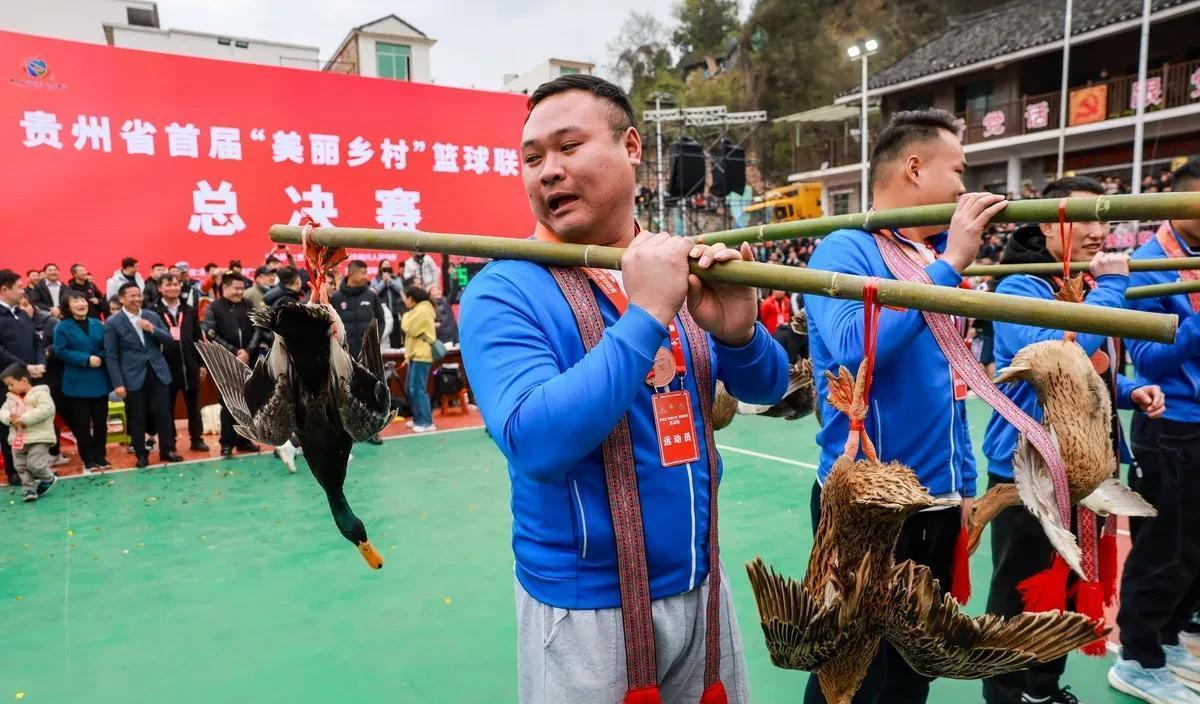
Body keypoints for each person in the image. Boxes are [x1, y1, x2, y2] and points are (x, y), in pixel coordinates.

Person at [460, 74, 788, 704]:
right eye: (532, 159)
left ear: (632, 147)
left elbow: (770, 387)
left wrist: (740, 333)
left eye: (568, 147)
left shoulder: (671, 262)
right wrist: (646, 316)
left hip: (701, 584)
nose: (547, 172)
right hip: (587, 610)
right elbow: (532, 440)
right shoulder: (503, 291)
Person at [803, 109, 1009, 704]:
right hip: (871, 506)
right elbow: (851, 349)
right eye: (958, 170)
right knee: (854, 672)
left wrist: (964, 487)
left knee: (912, 671)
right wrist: (950, 267)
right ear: (915, 168)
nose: (966, 187)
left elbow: (952, 389)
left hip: (937, 500)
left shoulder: (931, 256)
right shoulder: (847, 246)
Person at [980, 176, 1167, 704]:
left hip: (1088, 465)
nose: (1097, 233)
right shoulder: (1018, 286)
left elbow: (1091, 368)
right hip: (1031, 469)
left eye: (1103, 220)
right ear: (1048, 223)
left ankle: (1042, 688)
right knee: (1021, 591)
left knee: (1066, 586)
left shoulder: (1079, 284)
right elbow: (1052, 359)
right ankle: (1006, 694)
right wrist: (1109, 289)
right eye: (1086, 219)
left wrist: (1131, 391)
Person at [1110, 158, 1200, 703]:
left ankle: (1166, 640)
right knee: (1165, 549)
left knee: (1195, 547)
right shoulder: (1147, 263)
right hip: (1169, 425)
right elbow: (1147, 358)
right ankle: (1137, 655)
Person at [104, 282, 182, 468]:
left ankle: (168, 450)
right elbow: (111, 356)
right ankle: (141, 454)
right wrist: (118, 383)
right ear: (122, 299)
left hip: (158, 373)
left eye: (139, 295)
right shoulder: (113, 323)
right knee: (137, 417)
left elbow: (169, 340)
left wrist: (151, 329)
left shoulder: (151, 316)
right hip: (132, 377)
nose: (137, 299)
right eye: (132, 296)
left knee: (164, 414)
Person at [201, 275, 262, 457]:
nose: (239, 292)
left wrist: (248, 351)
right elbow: (211, 333)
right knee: (229, 402)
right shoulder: (214, 307)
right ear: (225, 288)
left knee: (248, 402)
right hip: (225, 363)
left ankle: (244, 440)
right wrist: (234, 352)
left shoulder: (248, 304)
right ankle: (227, 443)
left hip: (249, 360)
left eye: (241, 288)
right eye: (235, 288)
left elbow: (258, 329)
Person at [53, 290, 111, 471]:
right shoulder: (62, 327)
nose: (81, 303)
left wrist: (99, 357)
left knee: (101, 423)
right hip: (77, 383)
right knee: (82, 424)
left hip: (100, 380)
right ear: (68, 307)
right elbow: (60, 351)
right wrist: (85, 359)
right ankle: (88, 459)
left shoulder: (98, 324)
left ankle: (101, 456)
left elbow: (107, 346)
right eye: (75, 301)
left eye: (83, 300)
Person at [152, 274, 208, 452]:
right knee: (166, 409)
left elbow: (198, 337)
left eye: (176, 284)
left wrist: (201, 364)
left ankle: (197, 439)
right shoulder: (154, 311)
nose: (173, 288)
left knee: (194, 406)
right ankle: (170, 443)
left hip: (190, 365)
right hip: (166, 368)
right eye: (168, 285)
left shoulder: (188, 309)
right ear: (159, 288)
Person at [0, 269, 46, 485]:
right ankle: (16, 471)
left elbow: (37, 342)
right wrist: (24, 367)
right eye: (19, 286)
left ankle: (36, 468)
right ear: (4, 289)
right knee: (13, 425)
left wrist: (40, 364)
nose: (23, 290)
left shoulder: (21, 314)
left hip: (31, 380)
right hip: (7, 384)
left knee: (35, 423)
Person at [1, 363, 59, 502]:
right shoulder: (10, 399)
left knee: (34, 464)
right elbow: (2, 411)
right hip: (18, 437)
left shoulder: (41, 394)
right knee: (20, 465)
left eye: (11, 384)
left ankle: (48, 478)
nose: (9, 388)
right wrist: (9, 418)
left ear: (24, 381)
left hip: (39, 437)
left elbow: (45, 410)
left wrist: (22, 419)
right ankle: (29, 489)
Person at [331, 260, 387, 359]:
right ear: (351, 274)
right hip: (344, 356)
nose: (366, 277)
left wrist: (375, 340)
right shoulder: (336, 298)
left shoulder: (372, 296)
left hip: (368, 355)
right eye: (363, 273)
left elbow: (381, 321)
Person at [400, 286, 437, 433]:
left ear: (412, 299)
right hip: (415, 354)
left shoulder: (423, 310)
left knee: (418, 389)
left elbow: (410, 328)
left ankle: (426, 422)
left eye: (406, 298)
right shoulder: (417, 310)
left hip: (422, 354)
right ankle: (418, 418)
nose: (405, 301)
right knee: (411, 388)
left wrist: (405, 317)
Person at [372, 260, 406, 348]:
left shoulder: (396, 278)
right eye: (384, 267)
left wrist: (390, 280)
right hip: (383, 315)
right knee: (384, 338)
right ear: (380, 268)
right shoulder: (376, 279)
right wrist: (383, 282)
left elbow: (400, 288)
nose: (386, 269)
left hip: (395, 313)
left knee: (396, 338)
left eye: (388, 266)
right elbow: (374, 292)